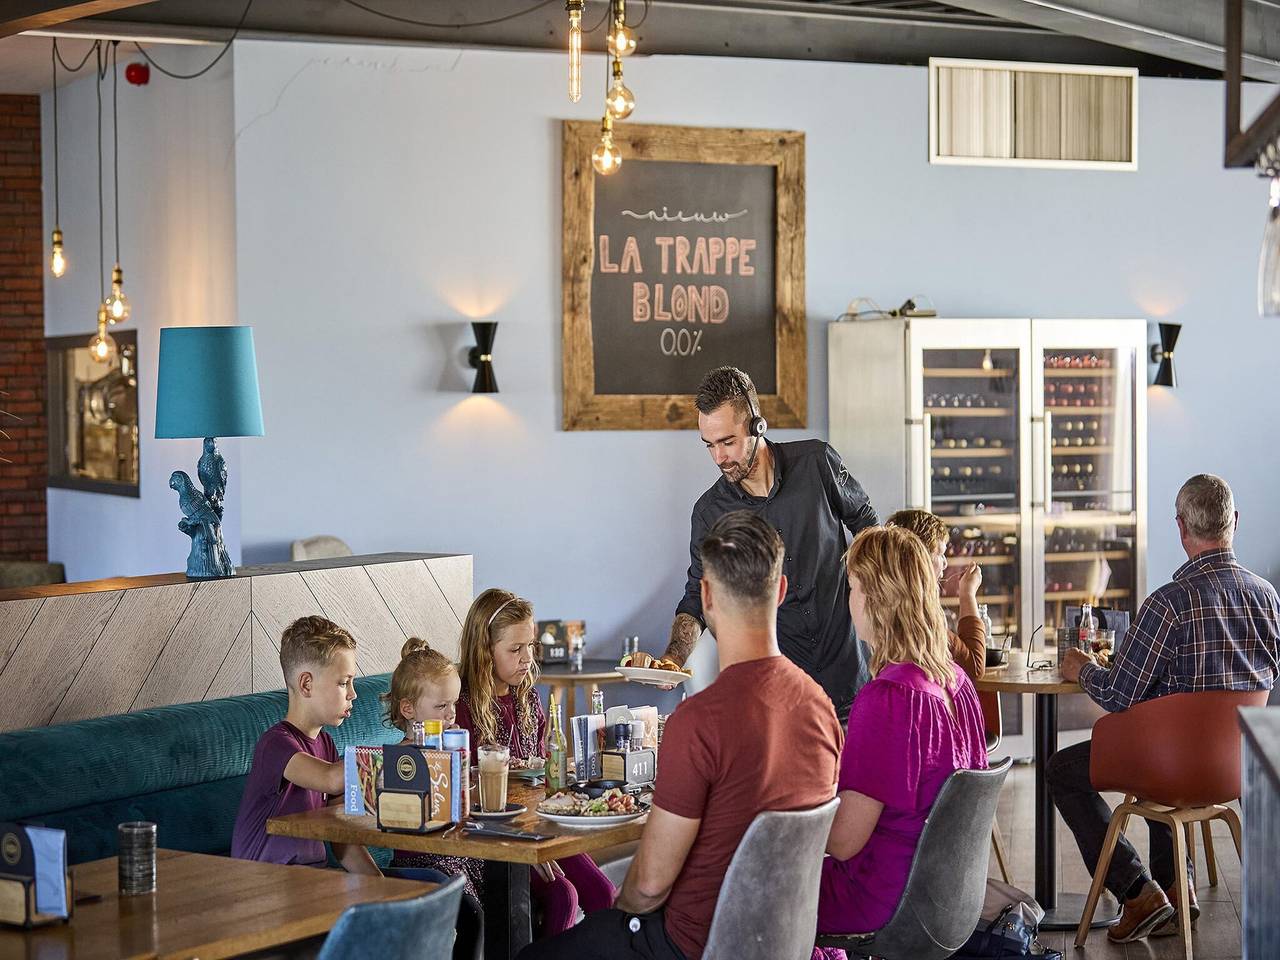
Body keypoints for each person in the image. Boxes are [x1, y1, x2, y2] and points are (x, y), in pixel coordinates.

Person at [517, 510, 844, 960]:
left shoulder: (699, 720)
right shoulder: (821, 707)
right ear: (782, 591)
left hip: (692, 947)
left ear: (706, 597)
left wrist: (618, 914)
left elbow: (649, 887)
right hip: (785, 941)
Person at [1054, 474, 1280, 943]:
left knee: (1062, 770)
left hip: (1172, 769)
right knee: (1163, 725)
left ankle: (1138, 893)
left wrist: (1081, 669)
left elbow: (1117, 695)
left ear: (1181, 529)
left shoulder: (1167, 604)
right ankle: (1180, 885)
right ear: (1233, 523)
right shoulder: (1268, 598)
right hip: (1239, 769)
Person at [663, 366, 878, 721]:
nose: (719, 458)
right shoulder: (709, 512)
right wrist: (673, 656)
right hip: (781, 699)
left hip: (852, 677)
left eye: (728, 442)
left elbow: (868, 524)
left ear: (757, 425)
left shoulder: (817, 462)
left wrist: (870, 592)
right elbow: (696, 597)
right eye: (710, 445)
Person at [816, 526, 988, 937]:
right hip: (943, 898)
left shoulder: (888, 698)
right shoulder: (959, 685)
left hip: (884, 898)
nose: (849, 601)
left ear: (878, 600)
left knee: (737, 887)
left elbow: (843, 842)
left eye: (854, 587)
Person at [454, 589, 615, 938]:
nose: (527, 658)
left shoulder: (525, 696)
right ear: (484, 651)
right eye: (515, 650)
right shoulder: (459, 705)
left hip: (537, 825)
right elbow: (465, 794)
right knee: (562, 895)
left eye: (530, 646)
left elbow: (540, 768)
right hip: (494, 839)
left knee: (603, 893)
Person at [230, 616, 379, 874]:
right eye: (344, 682)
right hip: (264, 885)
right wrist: (404, 760)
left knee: (432, 887)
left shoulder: (325, 744)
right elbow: (330, 779)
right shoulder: (275, 745)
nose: (353, 693)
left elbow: (340, 836)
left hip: (309, 880)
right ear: (306, 684)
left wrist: (379, 883)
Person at [380, 638, 483, 960]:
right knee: (470, 910)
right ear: (408, 709)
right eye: (441, 707)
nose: (452, 713)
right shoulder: (402, 759)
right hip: (420, 859)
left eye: (453, 704)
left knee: (509, 890)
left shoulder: (452, 748)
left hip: (459, 853)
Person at [885, 508, 986, 681]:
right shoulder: (917, 615)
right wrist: (967, 594)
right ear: (919, 556)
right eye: (939, 553)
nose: (945, 563)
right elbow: (974, 667)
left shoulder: (881, 600)